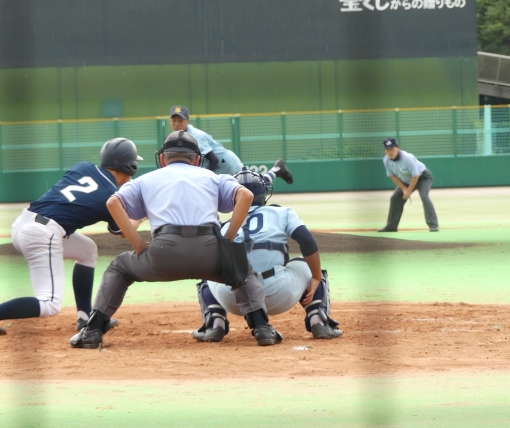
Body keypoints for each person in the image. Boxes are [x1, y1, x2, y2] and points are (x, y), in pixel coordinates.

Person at [71, 130, 282, 349]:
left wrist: (139, 245)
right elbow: (246, 195)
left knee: (119, 267)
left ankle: (93, 330)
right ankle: (262, 328)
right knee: (242, 271)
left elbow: (113, 203)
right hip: (210, 252)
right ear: (197, 160)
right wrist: (227, 240)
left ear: (163, 159)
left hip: (163, 252)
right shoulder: (213, 177)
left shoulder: (146, 179)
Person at [0, 138, 143, 335]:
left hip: (24, 223)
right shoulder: (111, 196)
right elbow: (124, 232)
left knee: (87, 250)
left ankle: (85, 320)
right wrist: (142, 216)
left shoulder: (83, 167)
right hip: (42, 234)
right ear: (130, 166)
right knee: (49, 304)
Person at [192, 168, 342, 343]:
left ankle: (215, 324)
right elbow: (307, 241)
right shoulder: (282, 212)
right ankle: (319, 321)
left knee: (210, 269)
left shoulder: (225, 226)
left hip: (234, 299)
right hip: (279, 293)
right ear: (264, 193)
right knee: (306, 265)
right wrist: (316, 276)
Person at [168, 105, 294, 185]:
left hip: (227, 164)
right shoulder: (178, 137)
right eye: (174, 120)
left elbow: (214, 160)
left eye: (180, 120)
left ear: (188, 121)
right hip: (219, 168)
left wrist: (204, 179)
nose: (177, 124)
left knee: (255, 187)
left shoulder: (196, 136)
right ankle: (276, 170)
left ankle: (277, 170)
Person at [378, 138, 439, 232]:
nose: (390, 152)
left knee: (424, 195)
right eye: (387, 149)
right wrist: (404, 189)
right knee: (395, 198)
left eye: (392, 149)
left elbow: (416, 175)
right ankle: (391, 227)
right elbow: (392, 176)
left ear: (397, 147)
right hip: (406, 180)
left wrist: (409, 190)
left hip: (423, 177)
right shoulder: (386, 160)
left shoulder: (407, 158)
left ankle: (433, 225)